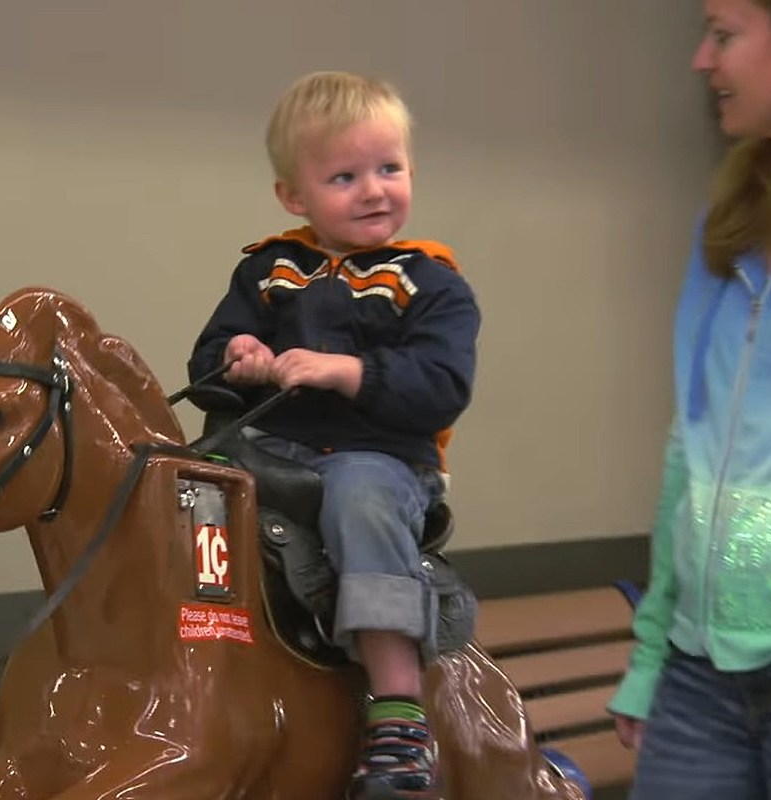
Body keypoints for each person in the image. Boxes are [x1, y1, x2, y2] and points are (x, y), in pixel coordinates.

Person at [609, 1, 771, 797]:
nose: (703, 60)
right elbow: (689, 448)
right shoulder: (726, 228)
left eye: (724, 34)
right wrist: (652, 652)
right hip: (700, 668)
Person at [187, 70, 479, 799]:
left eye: (390, 168)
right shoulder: (268, 270)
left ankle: (398, 708)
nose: (374, 190)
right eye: (345, 177)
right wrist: (238, 359)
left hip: (380, 459)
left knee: (359, 497)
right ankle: (125, 675)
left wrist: (348, 371)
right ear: (295, 196)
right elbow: (208, 361)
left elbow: (442, 386)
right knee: (182, 483)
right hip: (270, 449)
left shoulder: (431, 283)